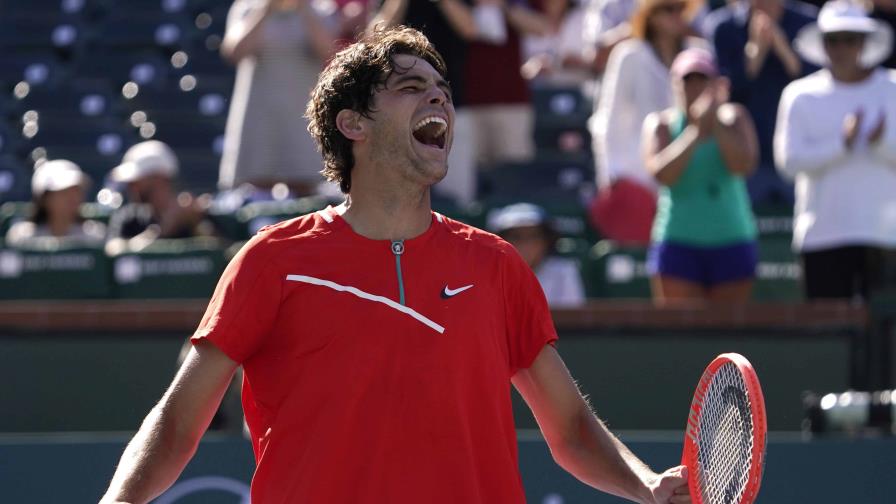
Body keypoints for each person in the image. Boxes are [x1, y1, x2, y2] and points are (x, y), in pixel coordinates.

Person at [100, 27, 690, 504]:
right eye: (409, 87)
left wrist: (646, 486)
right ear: (353, 124)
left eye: (441, 89)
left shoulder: (497, 266)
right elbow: (178, 424)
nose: (438, 97)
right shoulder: (272, 261)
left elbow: (573, 430)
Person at [775, 0, 896, 300]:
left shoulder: (892, 89)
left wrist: (879, 142)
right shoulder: (799, 95)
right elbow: (789, 163)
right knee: (829, 335)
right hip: (822, 238)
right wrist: (842, 144)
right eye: (833, 40)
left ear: (864, 43)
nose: (841, 48)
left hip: (884, 237)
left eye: (850, 39)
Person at [642, 48, 760, 303]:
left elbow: (743, 166)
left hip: (732, 240)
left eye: (701, 80)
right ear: (675, 84)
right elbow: (663, 174)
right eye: (687, 80)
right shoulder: (661, 124)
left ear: (714, 84)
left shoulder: (735, 118)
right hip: (677, 243)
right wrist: (695, 131)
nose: (694, 87)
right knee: (679, 336)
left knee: (728, 333)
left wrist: (715, 123)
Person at [588, 0, 707, 245]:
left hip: (692, 168)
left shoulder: (699, 53)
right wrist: (610, 174)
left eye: (680, 10)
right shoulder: (629, 55)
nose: (676, 16)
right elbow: (609, 118)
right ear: (650, 16)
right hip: (639, 174)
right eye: (668, 9)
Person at [218, 0, 336, 196]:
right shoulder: (247, 8)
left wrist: (304, 8)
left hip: (302, 118)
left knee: (306, 191)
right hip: (260, 118)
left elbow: (329, 51)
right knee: (255, 189)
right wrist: (266, 10)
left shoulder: (321, 9)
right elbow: (234, 51)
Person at [705, 0, 817, 204]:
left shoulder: (808, 22)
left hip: (798, 153)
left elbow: (817, 85)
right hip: (747, 158)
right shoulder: (723, 27)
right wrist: (754, 54)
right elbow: (724, 93)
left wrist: (783, 48)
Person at [369, 0, 480, 204]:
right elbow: (373, 40)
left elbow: (471, 28)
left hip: (451, 108)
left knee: (457, 197)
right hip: (399, 113)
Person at [105, 141, 218, 251]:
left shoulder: (194, 213)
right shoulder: (129, 218)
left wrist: (196, 223)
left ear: (159, 179)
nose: (130, 186)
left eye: (137, 180)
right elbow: (113, 252)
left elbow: (224, 254)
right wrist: (163, 230)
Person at [489, 202, 587, 307]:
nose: (525, 244)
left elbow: (572, 319)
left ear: (546, 241)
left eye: (533, 236)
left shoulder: (565, 271)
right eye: (516, 237)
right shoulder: (489, 274)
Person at [5, 159, 105, 246]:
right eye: (64, 193)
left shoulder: (95, 236)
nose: (73, 198)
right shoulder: (21, 238)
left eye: (77, 191)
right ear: (43, 198)